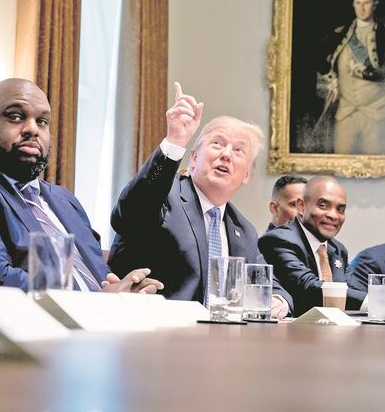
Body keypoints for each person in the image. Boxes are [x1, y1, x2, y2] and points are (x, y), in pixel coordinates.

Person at [0, 78, 161, 294]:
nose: (32, 129)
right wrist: (97, 302)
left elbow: (101, 276)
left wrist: (123, 290)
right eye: (15, 116)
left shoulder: (65, 201)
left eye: (42, 121)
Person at [107, 83, 291, 317]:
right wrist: (175, 142)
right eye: (217, 144)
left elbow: (268, 283)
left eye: (238, 151)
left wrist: (278, 300)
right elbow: (128, 216)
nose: (226, 154)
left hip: (220, 342)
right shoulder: (164, 195)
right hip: (155, 333)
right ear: (193, 158)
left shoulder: (243, 229)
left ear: (247, 175)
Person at [258, 176, 365, 316]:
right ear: (301, 207)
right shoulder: (278, 240)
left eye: (340, 209)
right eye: (323, 205)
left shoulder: (338, 250)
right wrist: (377, 301)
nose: (333, 215)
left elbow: (353, 290)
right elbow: (308, 288)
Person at [317, 0, 385, 154]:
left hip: (376, 112)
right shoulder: (340, 34)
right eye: (358, 3)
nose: (362, 8)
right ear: (353, 5)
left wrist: (361, 72)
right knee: (340, 161)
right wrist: (332, 79)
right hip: (345, 112)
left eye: (367, 3)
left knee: (375, 165)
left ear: (375, 5)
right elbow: (319, 59)